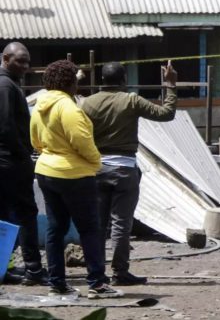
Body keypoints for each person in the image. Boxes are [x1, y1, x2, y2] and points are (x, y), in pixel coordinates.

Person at [31, 60, 123, 298]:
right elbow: (83, 142)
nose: (78, 86)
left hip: (46, 171)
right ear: (69, 82)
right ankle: (97, 284)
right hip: (74, 175)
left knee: (55, 228)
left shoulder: (40, 106)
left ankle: (57, 283)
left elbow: (36, 142)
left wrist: (52, 154)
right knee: (90, 229)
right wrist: (95, 163)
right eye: (76, 81)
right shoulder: (69, 108)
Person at [80, 60, 177, 286]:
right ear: (124, 79)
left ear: (102, 80)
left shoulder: (87, 104)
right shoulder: (131, 101)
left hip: (96, 169)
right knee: (121, 225)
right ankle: (120, 272)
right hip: (124, 169)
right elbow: (166, 113)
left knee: (97, 225)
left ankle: (95, 273)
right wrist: (170, 86)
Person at [0, 42, 47, 286]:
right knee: (26, 214)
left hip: (7, 160)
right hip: (10, 161)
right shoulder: (6, 86)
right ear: (6, 59)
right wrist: (23, 155)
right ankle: (33, 269)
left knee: (6, 217)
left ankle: (4, 268)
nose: (26, 66)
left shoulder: (9, 84)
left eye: (27, 61)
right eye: (20, 61)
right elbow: (6, 127)